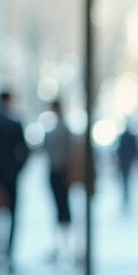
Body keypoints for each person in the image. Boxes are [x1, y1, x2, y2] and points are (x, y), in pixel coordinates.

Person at [0, 90, 30, 272]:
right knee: (12, 218)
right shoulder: (14, 123)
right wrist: (16, 170)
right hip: (10, 178)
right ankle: (8, 257)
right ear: (8, 101)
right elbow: (25, 151)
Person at [43, 100, 74, 260]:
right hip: (54, 172)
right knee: (58, 208)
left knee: (64, 208)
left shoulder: (64, 130)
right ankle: (59, 246)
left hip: (62, 172)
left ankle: (66, 246)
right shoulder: (54, 129)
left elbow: (69, 153)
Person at [116, 124, 138, 210]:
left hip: (124, 162)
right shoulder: (131, 137)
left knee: (125, 181)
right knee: (127, 181)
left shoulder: (123, 137)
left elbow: (119, 151)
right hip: (127, 162)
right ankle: (126, 198)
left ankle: (126, 198)